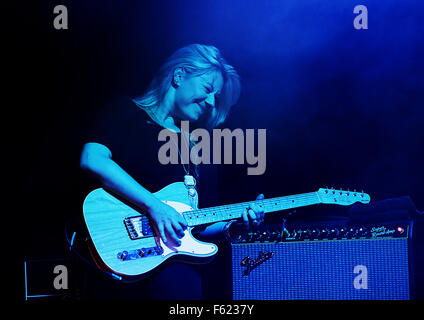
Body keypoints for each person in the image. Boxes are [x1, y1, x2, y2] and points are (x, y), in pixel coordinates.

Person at [79, 44, 264, 299]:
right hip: (116, 252)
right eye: (208, 89)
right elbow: (93, 159)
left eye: (216, 97)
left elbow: (198, 222)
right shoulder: (125, 112)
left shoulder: (200, 146)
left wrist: (236, 226)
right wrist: (155, 206)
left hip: (171, 270)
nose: (211, 102)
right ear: (179, 76)